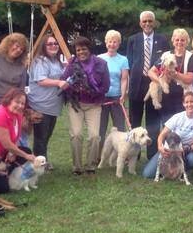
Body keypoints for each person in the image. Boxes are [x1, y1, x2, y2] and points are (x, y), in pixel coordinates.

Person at [61, 36, 110, 175]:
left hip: (94, 105)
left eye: (84, 49)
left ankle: (91, 166)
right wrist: (74, 88)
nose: (81, 52)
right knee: (76, 134)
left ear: (89, 49)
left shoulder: (101, 64)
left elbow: (106, 86)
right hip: (76, 104)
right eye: (78, 50)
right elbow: (63, 81)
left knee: (94, 136)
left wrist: (92, 91)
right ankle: (77, 167)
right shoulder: (72, 64)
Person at [126, 11, 169, 158]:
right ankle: (133, 154)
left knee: (152, 122)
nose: (147, 24)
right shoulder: (133, 40)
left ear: (154, 22)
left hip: (154, 85)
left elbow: (164, 62)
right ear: (140, 23)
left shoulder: (162, 39)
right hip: (136, 85)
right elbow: (130, 62)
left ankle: (152, 155)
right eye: (144, 21)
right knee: (135, 121)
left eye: (150, 21)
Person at [142, 92, 193, 179]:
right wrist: (160, 147)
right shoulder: (177, 117)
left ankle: (181, 171)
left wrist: (184, 150)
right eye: (187, 102)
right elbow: (162, 134)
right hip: (169, 148)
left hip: (185, 149)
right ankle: (168, 169)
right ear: (183, 104)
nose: (189, 104)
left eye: (192, 101)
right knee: (147, 174)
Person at [27, 34, 68, 165]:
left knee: (46, 137)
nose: (54, 46)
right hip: (40, 106)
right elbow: (41, 80)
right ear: (43, 46)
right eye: (49, 44)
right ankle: (39, 164)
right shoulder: (40, 61)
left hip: (52, 107)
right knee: (41, 138)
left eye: (55, 43)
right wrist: (58, 83)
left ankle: (41, 161)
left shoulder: (56, 61)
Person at [148, 28, 193, 123]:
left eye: (182, 40)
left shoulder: (190, 57)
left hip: (183, 99)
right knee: (167, 126)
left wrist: (175, 74)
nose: (179, 42)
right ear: (173, 41)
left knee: (182, 126)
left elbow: (190, 79)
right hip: (166, 98)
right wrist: (161, 81)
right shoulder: (166, 55)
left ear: (187, 42)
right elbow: (150, 72)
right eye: (177, 40)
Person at [98, 30, 129, 158]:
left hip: (117, 98)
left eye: (115, 41)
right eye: (110, 41)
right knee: (100, 128)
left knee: (120, 128)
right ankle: (98, 155)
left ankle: (120, 155)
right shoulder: (99, 58)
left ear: (119, 43)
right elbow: (95, 78)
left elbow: (124, 79)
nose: (112, 44)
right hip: (102, 98)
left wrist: (123, 95)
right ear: (106, 43)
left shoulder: (123, 59)